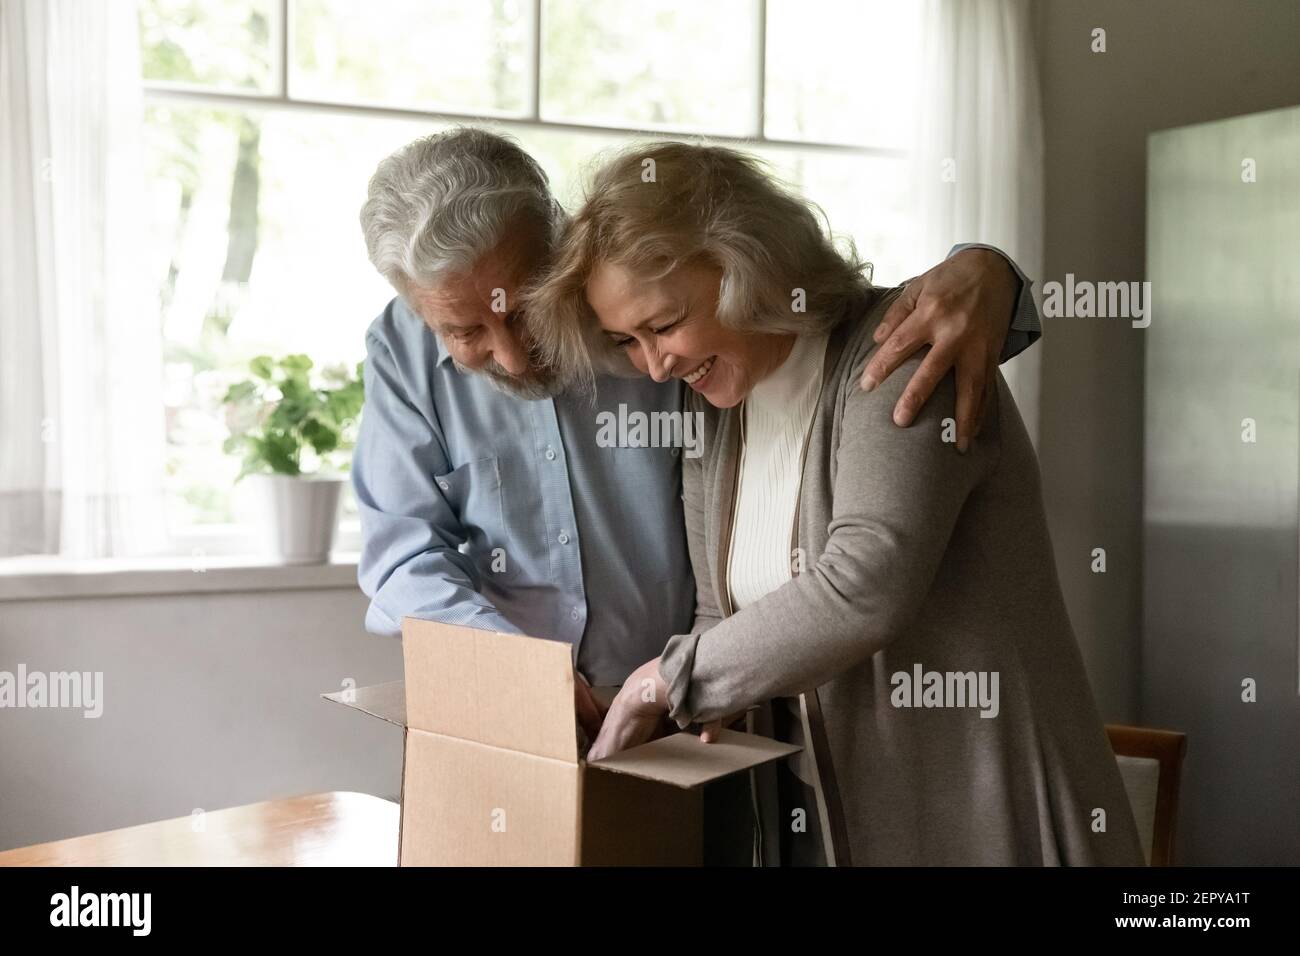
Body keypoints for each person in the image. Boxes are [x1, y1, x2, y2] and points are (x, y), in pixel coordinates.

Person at [526, 141, 1144, 866]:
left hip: (986, 815)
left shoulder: (905, 351)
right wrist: (634, 705)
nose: (656, 365)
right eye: (626, 341)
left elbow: (866, 583)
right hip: (830, 822)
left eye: (664, 326)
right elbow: (723, 622)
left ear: (746, 267)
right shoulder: (716, 418)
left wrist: (667, 679)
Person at [353, 126, 1042, 746]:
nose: (511, 356)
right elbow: (401, 555)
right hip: (505, 711)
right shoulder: (401, 348)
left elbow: (857, 569)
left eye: (526, 308)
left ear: (559, 246)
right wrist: (519, 672)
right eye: (464, 332)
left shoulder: (687, 332)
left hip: (686, 717)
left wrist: (989, 270)